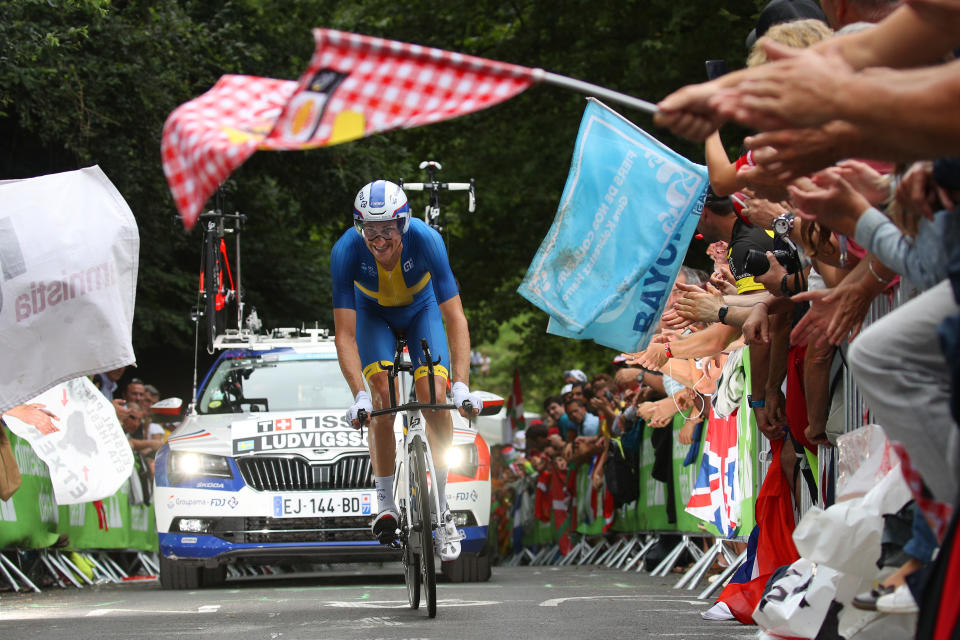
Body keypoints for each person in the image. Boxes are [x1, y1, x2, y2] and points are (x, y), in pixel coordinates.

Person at [330, 179, 482, 561]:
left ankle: (443, 506)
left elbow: (455, 318)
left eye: (387, 230)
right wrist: (359, 396)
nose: (378, 239)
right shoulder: (345, 251)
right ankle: (384, 503)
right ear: (358, 227)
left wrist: (461, 387)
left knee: (434, 393)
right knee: (382, 397)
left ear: (404, 224)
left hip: (421, 310)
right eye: (370, 230)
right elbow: (345, 336)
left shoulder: (428, 241)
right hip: (372, 315)